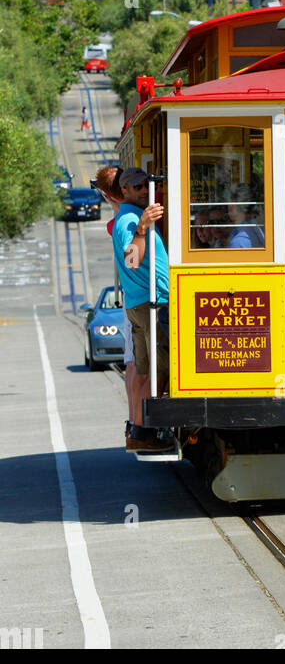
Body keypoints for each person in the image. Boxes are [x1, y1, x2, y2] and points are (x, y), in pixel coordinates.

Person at [111, 167, 170, 451]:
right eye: (138, 187)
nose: (145, 190)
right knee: (159, 370)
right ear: (125, 191)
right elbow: (132, 260)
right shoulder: (130, 220)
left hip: (140, 302)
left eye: (147, 185)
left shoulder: (129, 214)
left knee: (147, 371)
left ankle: (138, 431)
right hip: (150, 302)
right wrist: (143, 226)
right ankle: (145, 432)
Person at [93, 165, 149, 450]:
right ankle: (137, 425)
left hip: (133, 297)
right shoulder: (127, 220)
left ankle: (134, 423)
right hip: (140, 297)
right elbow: (131, 260)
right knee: (139, 365)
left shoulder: (118, 220)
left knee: (134, 364)